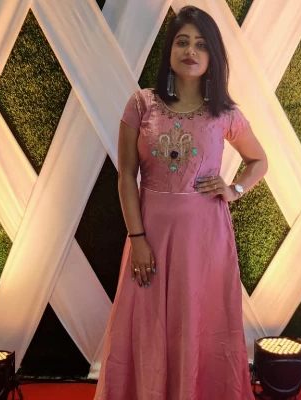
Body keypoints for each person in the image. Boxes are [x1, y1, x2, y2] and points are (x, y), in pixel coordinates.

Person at [94, 5, 267, 400]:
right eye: (183, 42)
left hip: (205, 240)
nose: (191, 50)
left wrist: (235, 189)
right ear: (170, 49)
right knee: (146, 321)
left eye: (201, 45)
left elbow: (259, 160)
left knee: (201, 322)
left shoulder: (224, 113)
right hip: (150, 237)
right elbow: (126, 176)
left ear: (213, 56)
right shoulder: (141, 104)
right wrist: (137, 239)